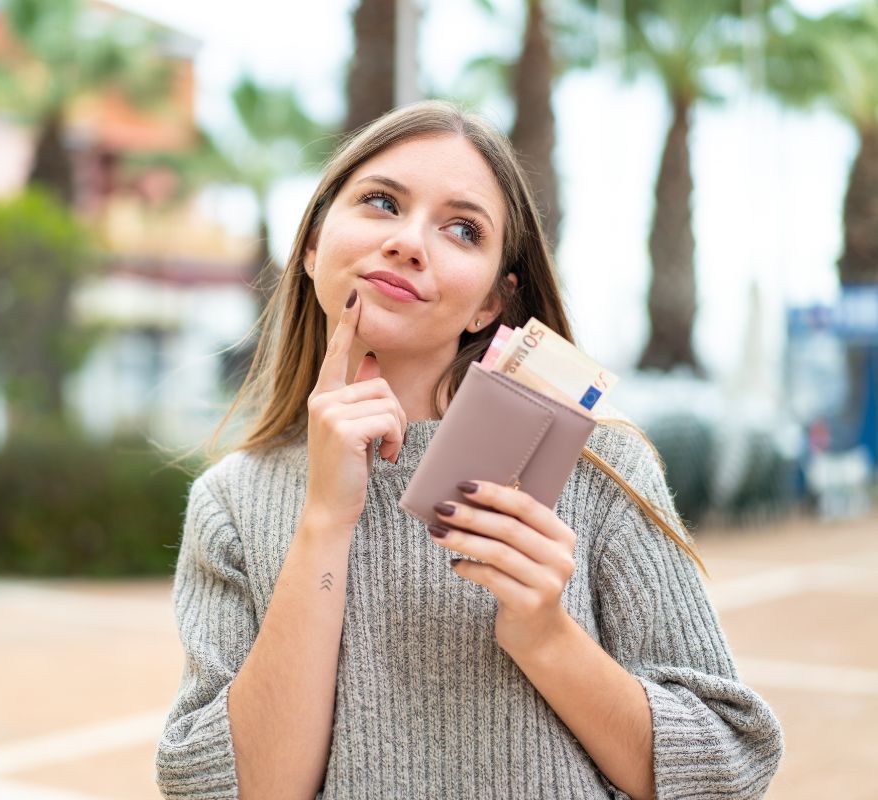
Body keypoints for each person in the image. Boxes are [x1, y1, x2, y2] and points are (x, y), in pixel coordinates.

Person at [155, 101, 783, 799]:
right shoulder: (232, 502)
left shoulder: (600, 470)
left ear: (492, 301)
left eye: (463, 229)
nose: (410, 242)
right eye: (381, 202)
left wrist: (546, 634)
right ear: (310, 245)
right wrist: (326, 520)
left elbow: (730, 765)